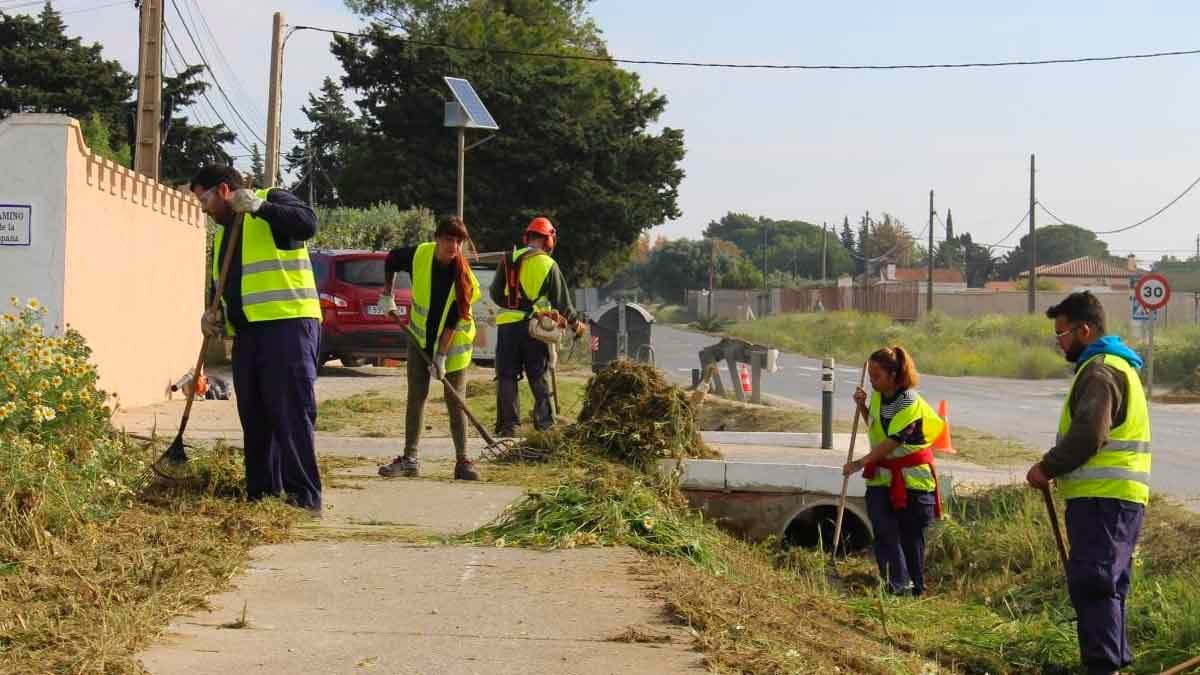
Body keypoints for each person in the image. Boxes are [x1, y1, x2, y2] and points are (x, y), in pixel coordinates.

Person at [1026, 291, 1150, 675]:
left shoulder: (1101, 370)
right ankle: (1108, 663)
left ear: (1084, 329)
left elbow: (1089, 434)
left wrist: (1047, 467)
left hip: (1105, 499)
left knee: (1094, 581)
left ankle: (1103, 667)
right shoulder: (1109, 366)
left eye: (1061, 334)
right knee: (1107, 584)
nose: (1059, 341)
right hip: (1110, 500)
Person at [190, 165, 323, 513]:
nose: (203, 209)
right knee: (256, 415)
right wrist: (213, 315)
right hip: (249, 335)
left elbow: (307, 224)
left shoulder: (269, 200)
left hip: (288, 325)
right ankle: (262, 493)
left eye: (204, 199)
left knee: (291, 413)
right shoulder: (223, 236)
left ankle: (304, 497)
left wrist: (260, 208)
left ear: (223, 190)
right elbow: (223, 286)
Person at [374, 217, 481, 480]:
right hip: (419, 339)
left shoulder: (464, 278)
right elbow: (391, 259)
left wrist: (441, 356)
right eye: (448, 239)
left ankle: (463, 461)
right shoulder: (420, 255)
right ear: (437, 238)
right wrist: (388, 293)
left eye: (458, 241)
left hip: (453, 347)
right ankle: (410, 459)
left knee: (455, 403)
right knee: (416, 397)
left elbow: (453, 321)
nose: (452, 245)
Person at [842, 346, 945, 596]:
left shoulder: (909, 402)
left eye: (876, 376)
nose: (872, 382)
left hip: (913, 481)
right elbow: (878, 429)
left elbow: (892, 442)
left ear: (893, 374)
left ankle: (915, 589)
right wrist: (863, 406)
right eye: (870, 376)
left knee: (911, 539)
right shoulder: (877, 397)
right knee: (884, 531)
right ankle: (897, 587)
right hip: (881, 479)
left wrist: (859, 463)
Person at [490, 217, 584, 437]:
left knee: (506, 376)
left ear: (527, 238)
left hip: (507, 328)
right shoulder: (549, 265)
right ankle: (544, 424)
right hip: (535, 329)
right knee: (537, 374)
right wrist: (575, 324)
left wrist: (514, 306)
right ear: (549, 240)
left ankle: (509, 427)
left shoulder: (508, 258)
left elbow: (495, 294)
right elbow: (562, 302)